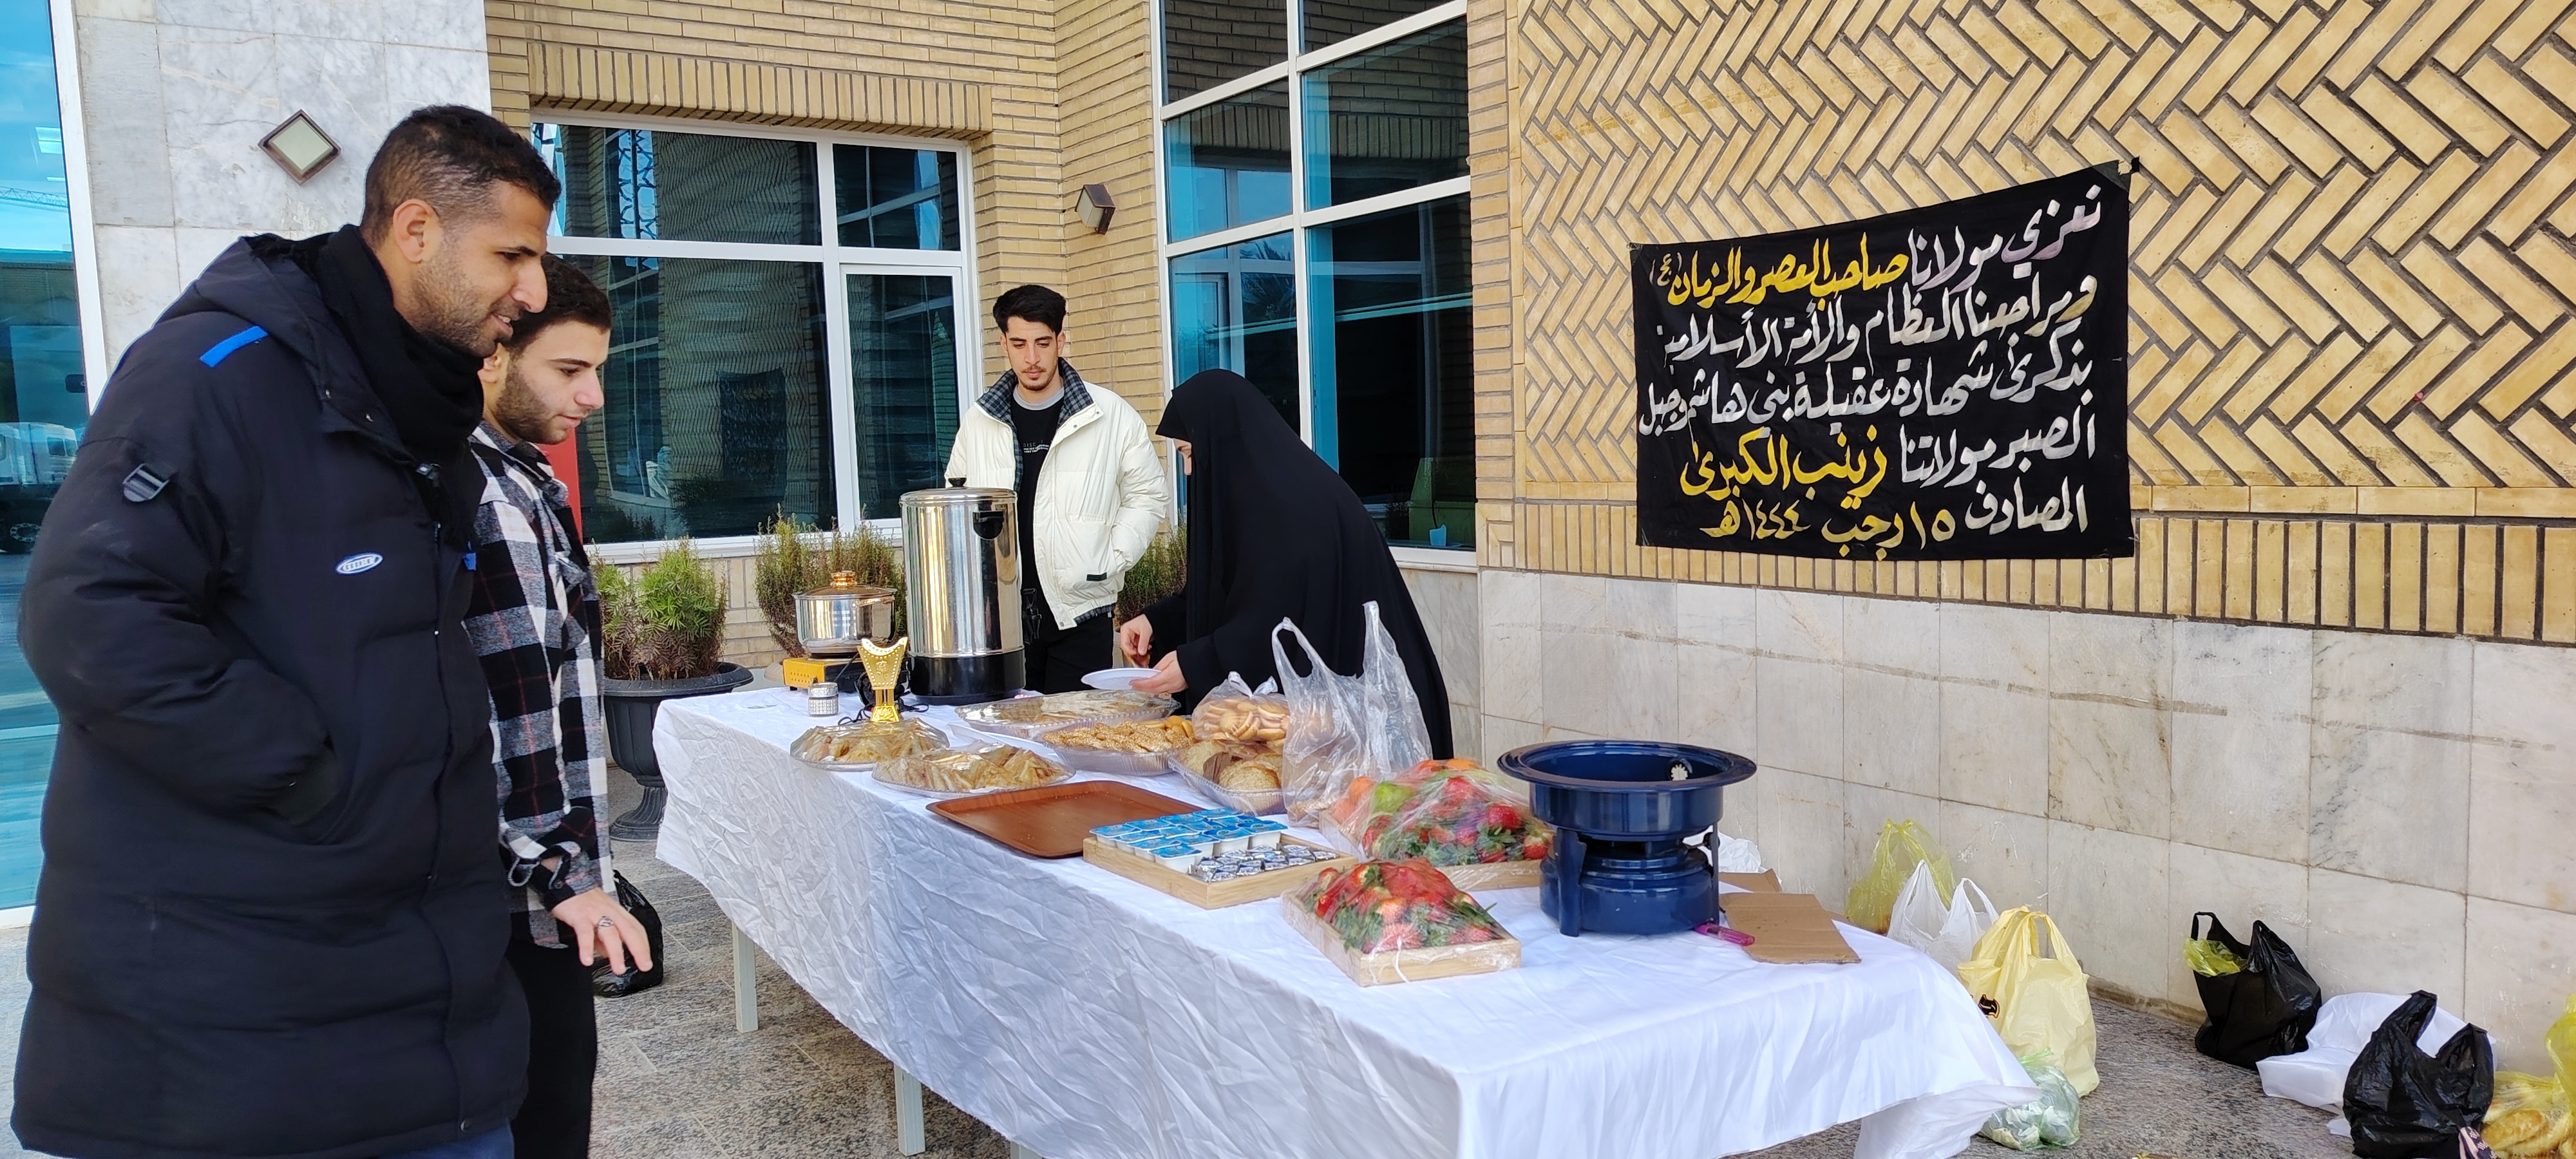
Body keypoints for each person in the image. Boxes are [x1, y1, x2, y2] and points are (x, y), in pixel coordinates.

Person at [14, 106, 556, 1159]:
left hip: (415, 1005)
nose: (533, 292)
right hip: (231, 1030)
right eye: (512, 255)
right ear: (415, 230)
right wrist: (312, 777)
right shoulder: (217, 372)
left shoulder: (416, 408)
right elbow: (87, 609)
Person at [463, 255, 651, 1159]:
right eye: (569, 369)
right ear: (495, 354)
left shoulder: (527, 480)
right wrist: (561, 876)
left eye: (598, 371)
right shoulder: (488, 498)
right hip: (523, 898)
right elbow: (512, 716)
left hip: (545, 884)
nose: (593, 397)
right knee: (543, 1115)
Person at [1117, 369, 1454, 758]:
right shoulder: (1269, 498)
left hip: (1365, 733)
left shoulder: (1294, 510)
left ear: (1221, 442)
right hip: (1334, 722)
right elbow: (1238, 591)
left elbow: (1279, 620)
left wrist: (1197, 663)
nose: (1189, 472)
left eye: (1189, 454)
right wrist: (1158, 622)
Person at [945, 285, 1168, 692]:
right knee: (1010, 731)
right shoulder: (979, 421)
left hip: (1082, 614)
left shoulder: (1109, 414)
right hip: (1000, 620)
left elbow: (1148, 495)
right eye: (1019, 344)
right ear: (1003, 344)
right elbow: (955, 504)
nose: (1032, 358)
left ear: (1061, 341)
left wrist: (1112, 557)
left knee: (1077, 729)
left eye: (1043, 343)